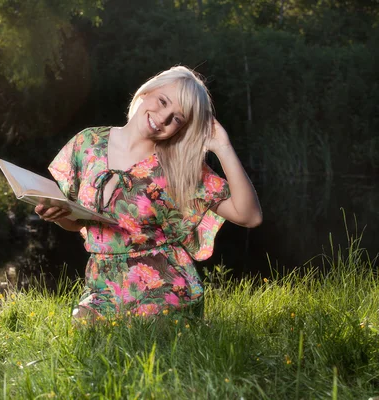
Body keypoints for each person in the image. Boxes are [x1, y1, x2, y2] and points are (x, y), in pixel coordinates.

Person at [35, 65, 262, 322]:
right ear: (147, 91)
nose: (163, 117)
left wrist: (223, 146)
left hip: (164, 284)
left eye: (177, 118)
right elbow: (75, 224)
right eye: (163, 101)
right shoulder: (87, 143)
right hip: (102, 282)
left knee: (140, 330)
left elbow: (249, 216)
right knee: (82, 325)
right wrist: (57, 215)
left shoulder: (178, 166)